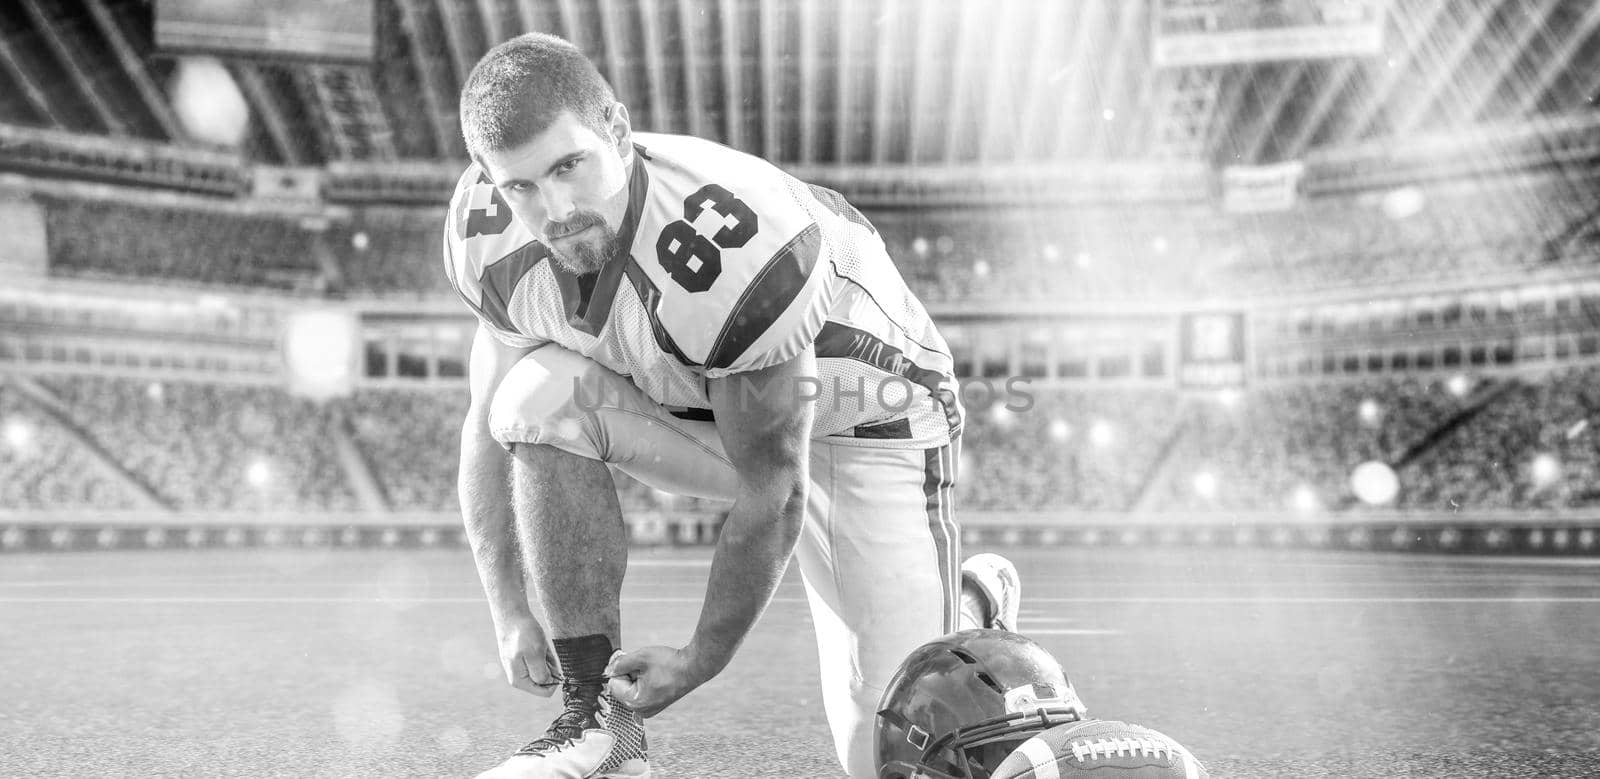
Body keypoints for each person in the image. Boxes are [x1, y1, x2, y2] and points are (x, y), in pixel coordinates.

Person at [446, 33, 1019, 779]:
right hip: (702, 406)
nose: (554, 211)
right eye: (521, 186)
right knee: (531, 398)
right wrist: (508, 608)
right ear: (490, 182)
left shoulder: (733, 249)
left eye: (568, 166)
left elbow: (773, 489)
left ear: (617, 130)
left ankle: (969, 600)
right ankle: (596, 723)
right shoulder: (484, 238)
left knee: (890, 752)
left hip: (868, 423)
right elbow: (486, 426)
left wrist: (697, 660)